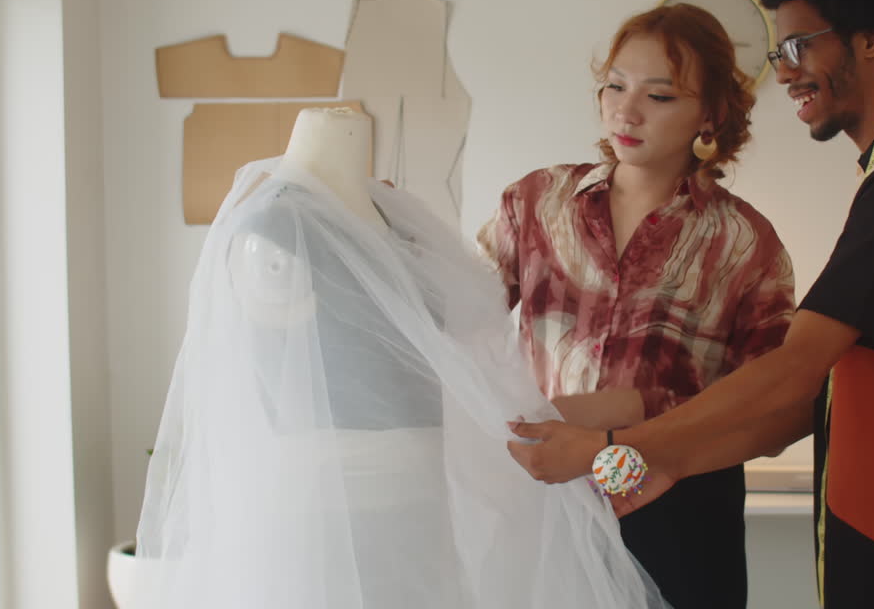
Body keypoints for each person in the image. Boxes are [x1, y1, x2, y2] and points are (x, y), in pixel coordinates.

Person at [508, 0, 874, 609]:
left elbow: (793, 375)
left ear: (869, 40)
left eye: (800, 46)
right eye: (779, 50)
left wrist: (615, 447)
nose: (782, 70)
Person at [135, 107, 669, 609]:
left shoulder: (396, 220)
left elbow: (462, 340)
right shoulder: (273, 230)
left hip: (422, 505)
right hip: (327, 511)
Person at [479, 3, 796, 609]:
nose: (626, 110)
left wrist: (630, 434)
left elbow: (776, 407)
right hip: (554, 501)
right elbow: (457, 311)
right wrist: (392, 238)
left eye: (660, 96)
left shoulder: (744, 241)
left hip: (678, 512)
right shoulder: (537, 203)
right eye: (615, 86)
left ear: (711, 113)